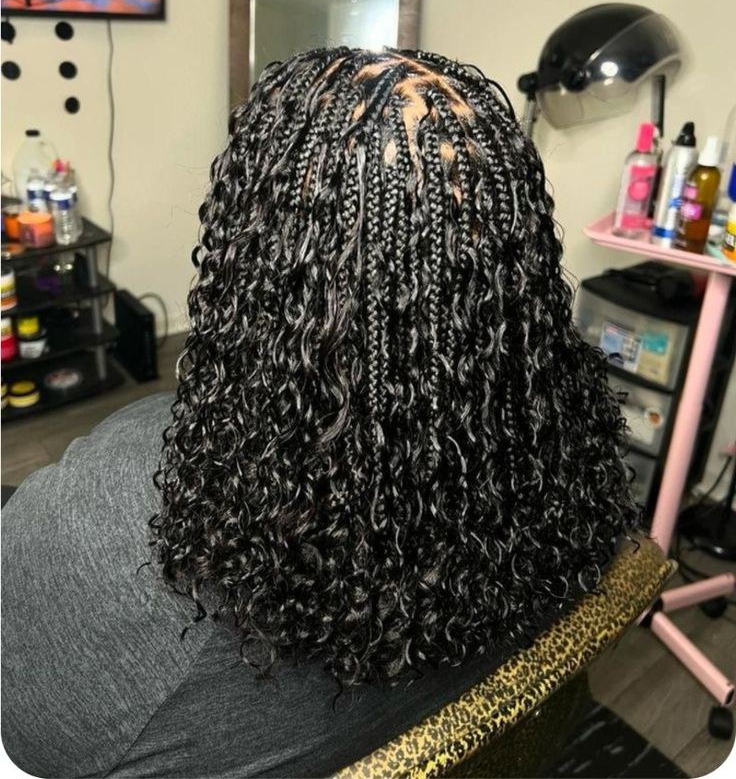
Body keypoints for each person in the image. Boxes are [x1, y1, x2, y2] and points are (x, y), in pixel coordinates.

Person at [1, 48, 638, 778]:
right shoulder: (572, 467)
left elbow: (30, 744)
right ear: (515, 262)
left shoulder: (112, 526)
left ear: (254, 255)